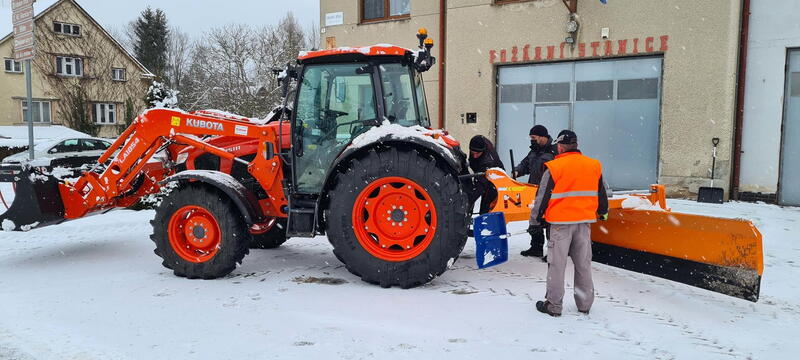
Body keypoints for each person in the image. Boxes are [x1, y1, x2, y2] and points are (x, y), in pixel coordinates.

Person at [529, 130, 608, 317]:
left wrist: (535, 221)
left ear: (560, 147)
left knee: (557, 265)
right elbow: (601, 194)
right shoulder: (593, 165)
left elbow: (542, 198)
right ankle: (584, 304)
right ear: (576, 145)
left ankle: (554, 305)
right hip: (584, 224)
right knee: (583, 264)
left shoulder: (555, 167)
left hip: (560, 225)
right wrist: (603, 212)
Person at [513, 125, 556, 258]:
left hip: (550, 192)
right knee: (534, 220)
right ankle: (536, 247)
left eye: (534, 138)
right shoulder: (533, 152)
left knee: (550, 222)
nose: (532, 140)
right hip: (534, 191)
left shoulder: (554, 152)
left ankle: (553, 252)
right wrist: (517, 171)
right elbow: (525, 164)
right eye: (531, 138)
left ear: (543, 137)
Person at [468, 135, 505, 214]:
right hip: (484, 173)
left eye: (477, 153)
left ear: (483, 150)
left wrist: (468, 202)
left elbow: (480, 186)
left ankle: (486, 222)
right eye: (472, 152)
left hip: (495, 181)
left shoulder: (487, 161)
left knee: (486, 207)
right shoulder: (477, 143)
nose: (474, 156)